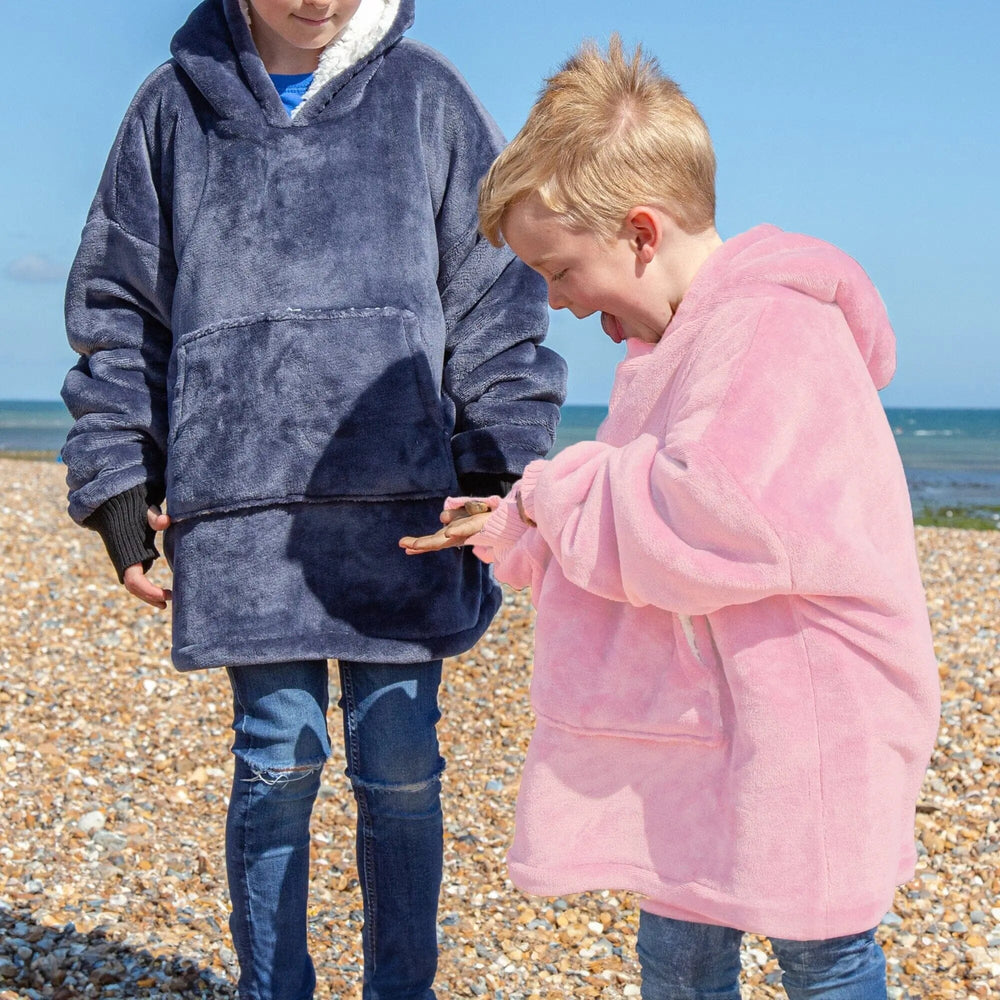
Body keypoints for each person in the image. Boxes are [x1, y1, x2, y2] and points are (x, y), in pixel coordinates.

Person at [400, 36, 940, 1000]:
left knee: (820, 952)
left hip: (803, 724)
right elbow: (643, 503)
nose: (558, 304)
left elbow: (713, 513)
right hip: (717, 720)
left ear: (641, 234)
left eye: (559, 271)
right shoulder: (681, 343)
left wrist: (552, 493)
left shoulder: (767, 328)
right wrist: (524, 520)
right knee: (680, 943)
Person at [60, 1, 567, 998]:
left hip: (408, 513)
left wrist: (497, 469)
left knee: (401, 767)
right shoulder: (170, 110)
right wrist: (119, 485)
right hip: (243, 517)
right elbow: (121, 311)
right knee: (277, 760)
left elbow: (496, 302)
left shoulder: (427, 97)